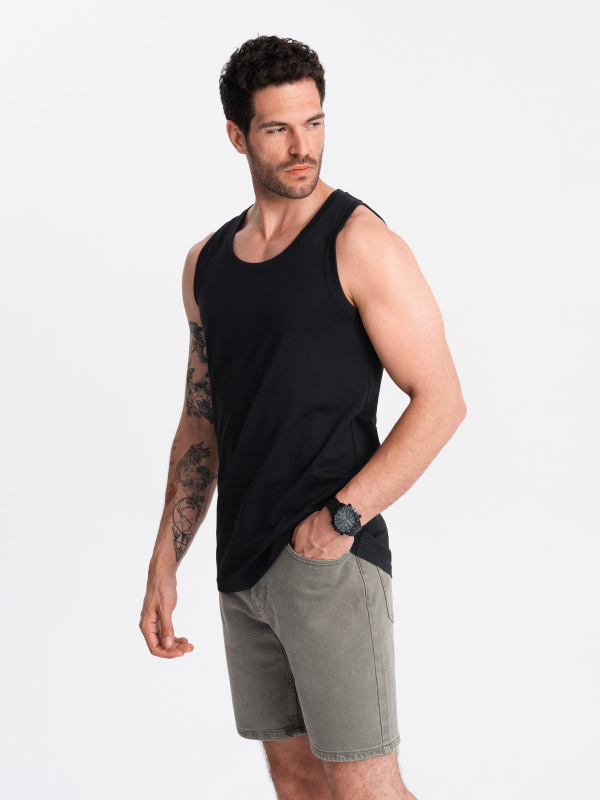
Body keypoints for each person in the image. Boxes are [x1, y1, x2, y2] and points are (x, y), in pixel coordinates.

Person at [139, 34, 466, 800]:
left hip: (329, 564)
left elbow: (442, 400)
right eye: (278, 128)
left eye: (314, 123)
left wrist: (341, 520)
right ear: (237, 135)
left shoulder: (359, 243)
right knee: (295, 782)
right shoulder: (207, 263)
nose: (302, 147)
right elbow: (201, 421)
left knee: (366, 786)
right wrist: (165, 558)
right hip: (241, 566)